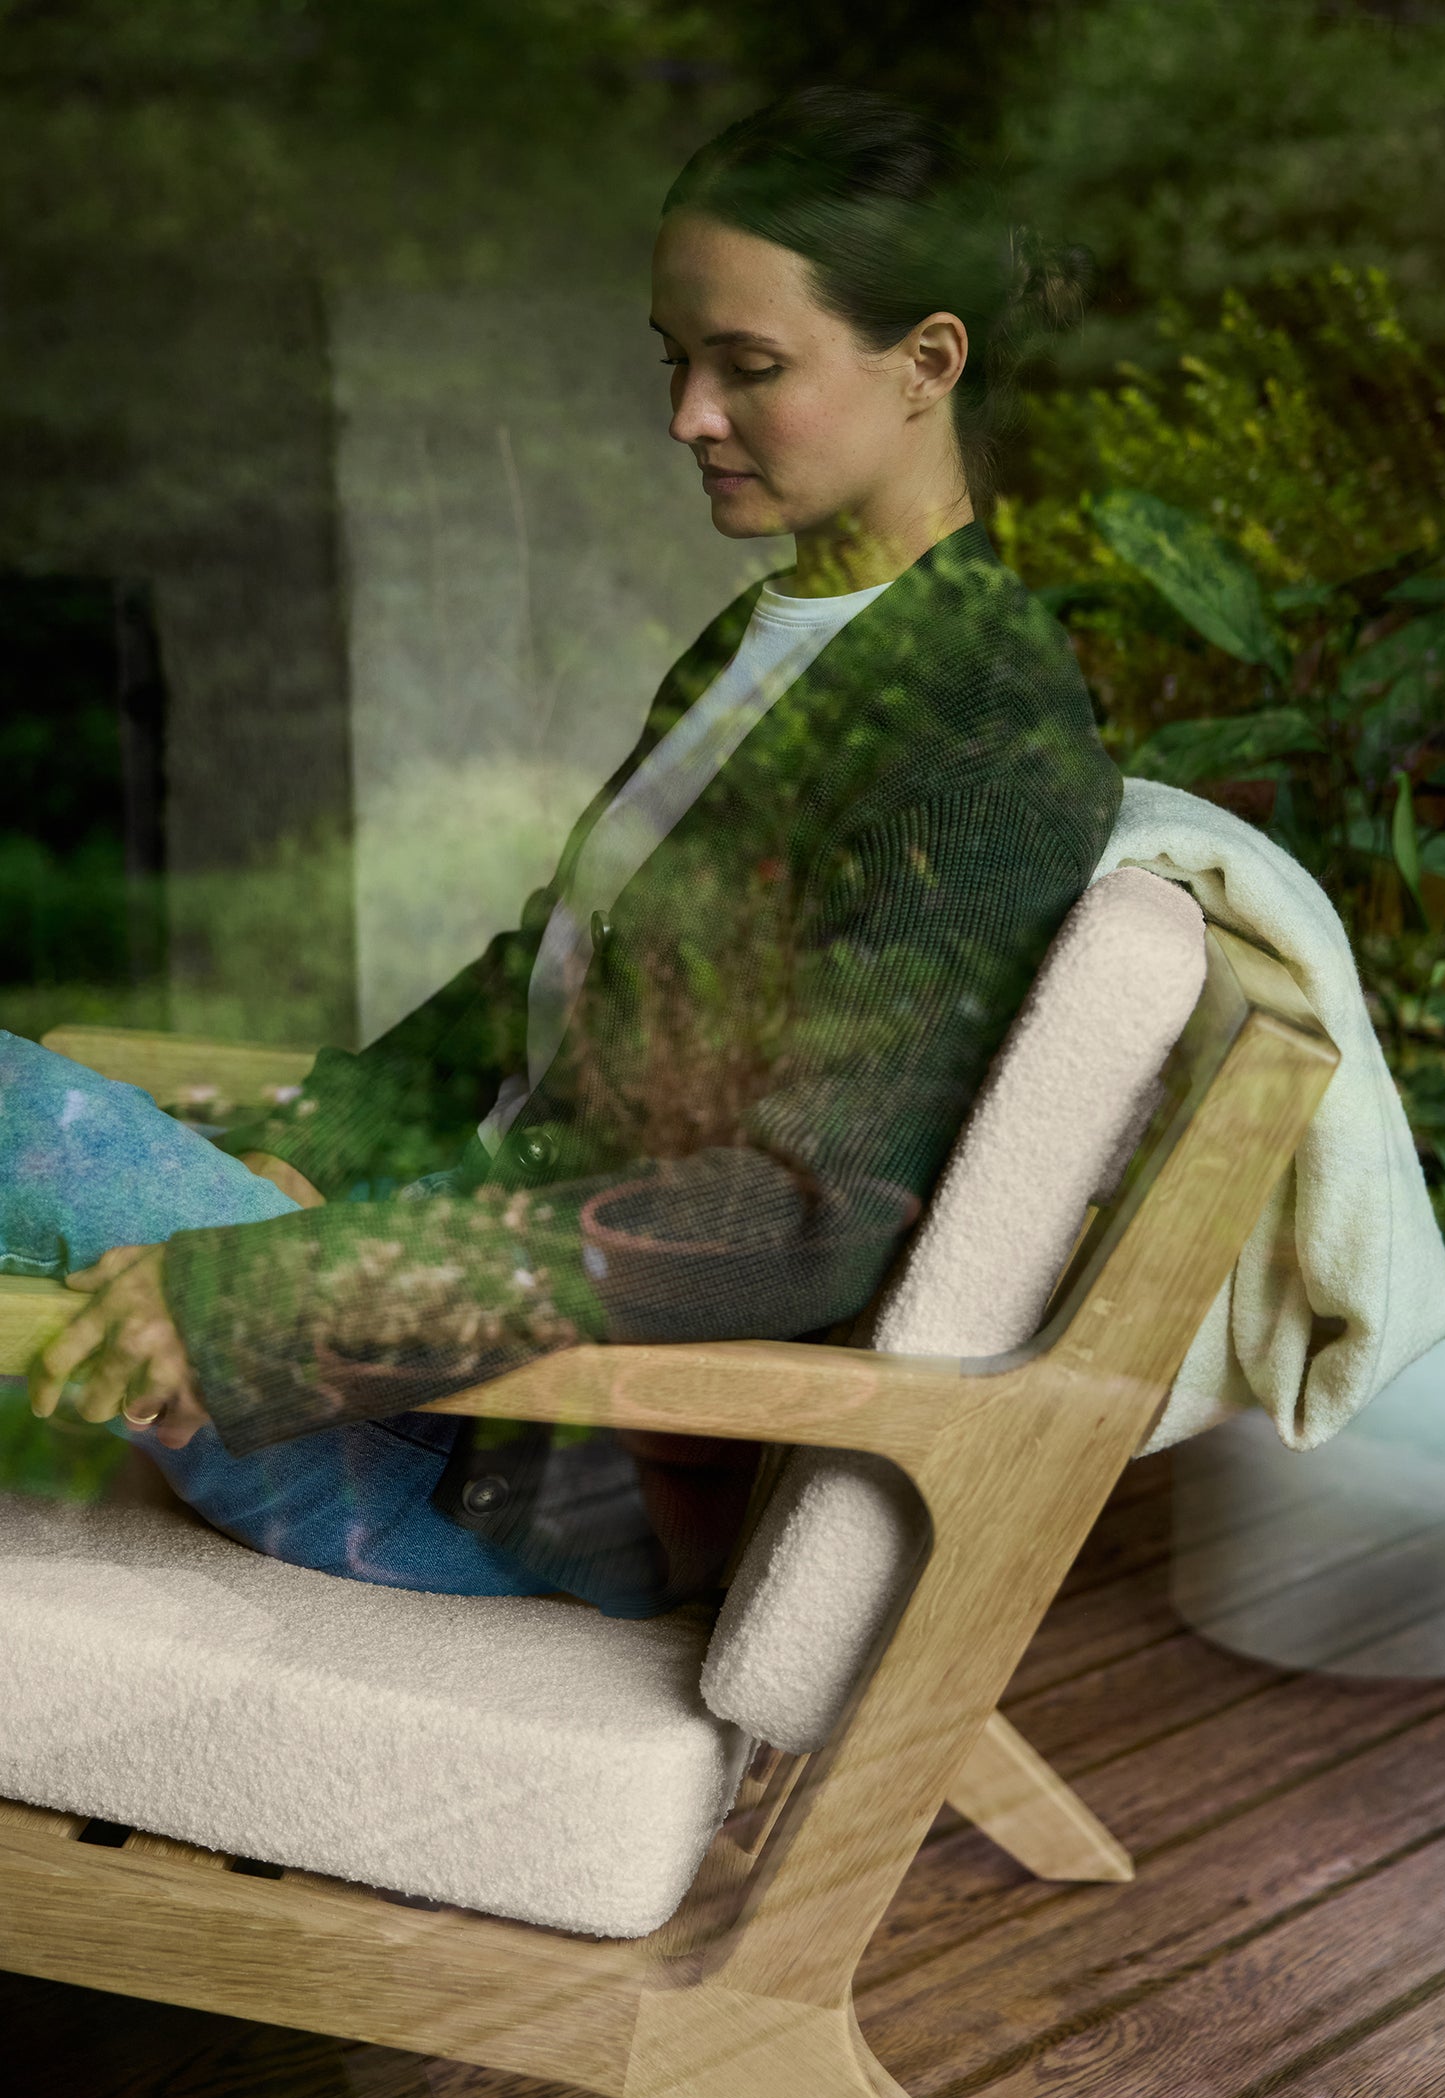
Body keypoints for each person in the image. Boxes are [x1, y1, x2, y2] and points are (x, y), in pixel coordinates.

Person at [20, 87, 1123, 1616]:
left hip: (512, 1454)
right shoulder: (777, 636)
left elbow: (792, 1217)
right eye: (678, 362)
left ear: (927, 362)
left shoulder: (981, 734)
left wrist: (264, 1296)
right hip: (408, 1330)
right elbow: (534, 977)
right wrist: (310, 1158)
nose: (687, 417)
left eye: (750, 367)